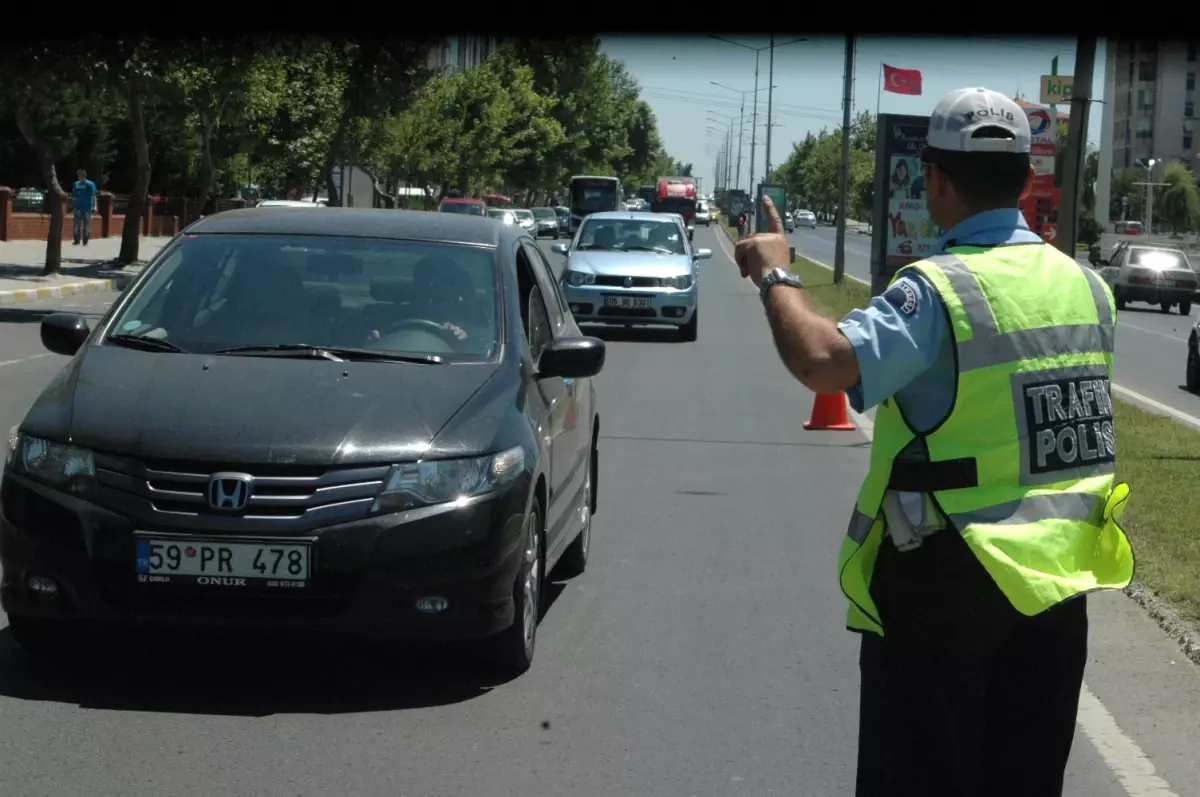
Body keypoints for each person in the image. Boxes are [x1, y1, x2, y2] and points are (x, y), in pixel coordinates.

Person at [733, 87, 1135, 797]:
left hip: (945, 582)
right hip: (1057, 590)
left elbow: (822, 361)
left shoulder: (939, 290)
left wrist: (775, 273)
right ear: (1025, 179)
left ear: (936, 181)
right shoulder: (1088, 288)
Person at [71, 169, 97, 246]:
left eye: (80, 175)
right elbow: (74, 196)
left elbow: (94, 196)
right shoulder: (76, 184)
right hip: (78, 207)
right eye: (78, 175)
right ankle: (76, 240)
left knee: (86, 224)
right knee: (76, 224)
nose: (79, 176)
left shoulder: (90, 184)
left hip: (87, 207)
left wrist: (95, 206)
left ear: (85, 175)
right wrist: (73, 207)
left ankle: (85, 241)